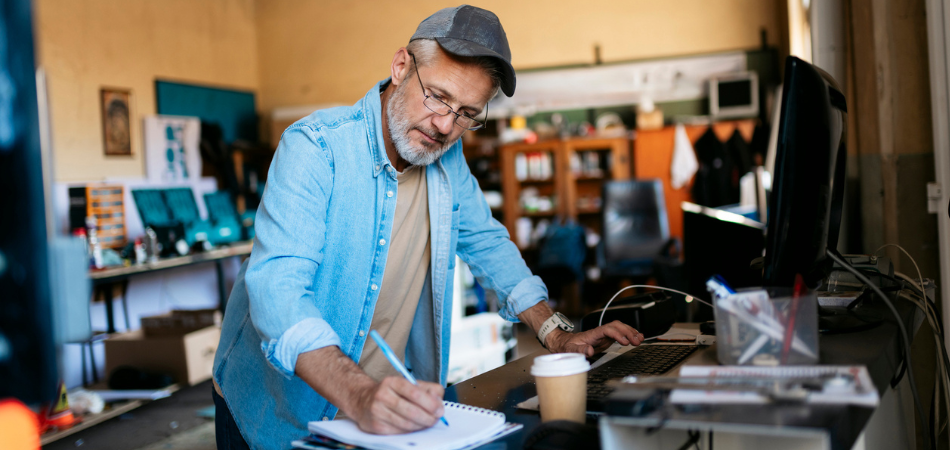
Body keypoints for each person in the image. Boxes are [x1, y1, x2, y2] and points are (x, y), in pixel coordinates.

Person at [212, 5, 644, 449]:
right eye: (437, 96)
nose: (444, 125)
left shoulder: (446, 158)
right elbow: (277, 291)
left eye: (466, 114)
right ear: (400, 66)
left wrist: (555, 332)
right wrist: (359, 393)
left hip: (384, 413)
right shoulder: (316, 148)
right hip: (277, 411)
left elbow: (486, 242)